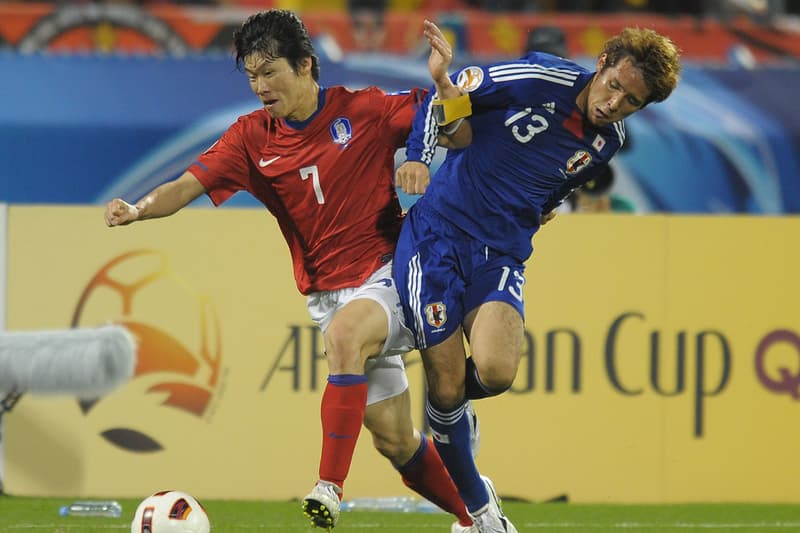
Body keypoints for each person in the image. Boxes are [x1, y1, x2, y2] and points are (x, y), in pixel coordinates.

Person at [103, 10, 479, 532]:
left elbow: (437, 115)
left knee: (347, 336)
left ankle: (329, 487)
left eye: (270, 71)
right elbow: (185, 186)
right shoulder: (251, 138)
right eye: (252, 76)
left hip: (392, 275)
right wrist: (140, 209)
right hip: (328, 295)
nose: (261, 86)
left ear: (306, 66)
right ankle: (479, 518)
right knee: (395, 440)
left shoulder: (363, 110)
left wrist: (423, 134)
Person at [394, 20, 681, 532]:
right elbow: (448, 102)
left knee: (496, 374)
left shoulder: (607, 143)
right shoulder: (539, 77)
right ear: (602, 65)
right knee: (447, 383)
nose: (615, 104)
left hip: (501, 253)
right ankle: (481, 516)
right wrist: (417, 157)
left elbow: (552, 186)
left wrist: (536, 212)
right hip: (440, 235)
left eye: (632, 102)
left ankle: (452, 416)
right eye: (615, 86)